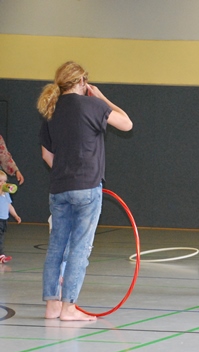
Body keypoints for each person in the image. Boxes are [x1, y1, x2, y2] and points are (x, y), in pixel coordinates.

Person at [38, 61, 132, 321]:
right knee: (79, 249)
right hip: (87, 187)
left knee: (56, 247)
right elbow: (126, 124)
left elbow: (46, 155)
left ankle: (52, 306)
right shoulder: (93, 105)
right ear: (82, 82)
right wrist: (102, 97)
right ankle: (69, 308)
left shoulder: (52, 109)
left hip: (59, 188)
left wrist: (65, 170)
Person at [0, 170, 21, 262]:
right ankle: (1, 255)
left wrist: (15, 215)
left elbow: (9, 205)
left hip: (4, 220)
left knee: (1, 237)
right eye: (0, 181)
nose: (3, 183)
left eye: (5, 181)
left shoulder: (6, 194)